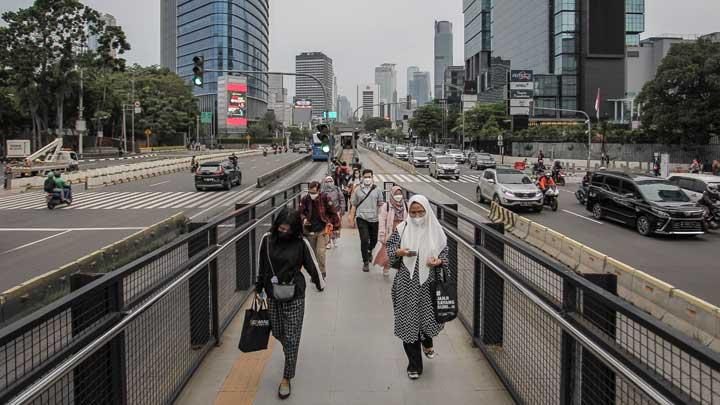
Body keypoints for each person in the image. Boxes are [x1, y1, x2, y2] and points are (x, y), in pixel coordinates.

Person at [255, 208, 325, 400]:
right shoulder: (267, 240)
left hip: (295, 294)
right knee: (277, 331)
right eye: (280, 228)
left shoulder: (301, 243)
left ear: (294, 229)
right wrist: (259, 287)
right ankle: (290, 351)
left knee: (292, 337)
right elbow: (262, 265)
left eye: (287, 229)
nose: (283, 231)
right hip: (272, 293)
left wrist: (320, 283)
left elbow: (312, 264)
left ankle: (287, 377)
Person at [386, 195, 448, 380]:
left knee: (427, 321)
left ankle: (426, 341)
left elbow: (445, 253)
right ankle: (414, 365)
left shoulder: (436, 230)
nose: (417, 216)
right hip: (406, 283)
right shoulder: (402, 228)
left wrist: (439, 261)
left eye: (421, 212)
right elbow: (390, 249)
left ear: (427, 211)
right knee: (408, 322)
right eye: (413, 212)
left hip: (429, 284)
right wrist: (398, 252)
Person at [300, 181, 339, 279]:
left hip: (322, 229)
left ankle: (322, 272)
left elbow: (333, 212)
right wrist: (304, 219)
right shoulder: (305, 199)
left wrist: (336, 227)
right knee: (312, 254)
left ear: (318, 191)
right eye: (310, 192)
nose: (311, 195)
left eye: (313, 193)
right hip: (309, 230)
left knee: (320, 252)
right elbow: (300, 212)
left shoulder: (325, 198)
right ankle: (315, 272)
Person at [348, 169, 384, 272]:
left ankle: (369, 250)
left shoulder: (377, 190)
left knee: (374, 240)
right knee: (364, 239)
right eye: (366, 177)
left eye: (369, 177)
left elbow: (380, 204)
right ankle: (365, 262)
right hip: (361, 218)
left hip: (374, 219)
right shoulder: (357, 190)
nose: (368, 179)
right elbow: (354, 204)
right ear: (362, 178)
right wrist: (351, 217)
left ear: (372, 177)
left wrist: (382, 217)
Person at [375, 186, 408, 277]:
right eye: (396, 194)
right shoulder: (387, 206)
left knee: (402, 251)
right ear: (392, 195)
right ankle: (387, 266)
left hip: (403, 231)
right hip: (391, 231)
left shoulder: (406, 205)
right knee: (390, 251)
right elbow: (382, 221)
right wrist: (382, 235)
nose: (398, 196)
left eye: (400, 194)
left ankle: (400, 270)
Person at [320, 175, 345, 248]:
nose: (329, 183)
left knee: (335, 227)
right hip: (326, 212)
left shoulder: (337, 189)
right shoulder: (323, 191)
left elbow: (342, 199)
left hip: (336, 211)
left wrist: (342, 209)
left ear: (333, 181)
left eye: (330, 181)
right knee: (328, 226)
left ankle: (334, 240)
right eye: (327, 181)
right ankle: (328, 242)